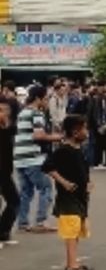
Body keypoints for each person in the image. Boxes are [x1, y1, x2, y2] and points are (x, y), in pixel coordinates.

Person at [42, 114, 92, 270]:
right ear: (75, 132)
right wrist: (64, 182)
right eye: (84, 128)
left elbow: (83, 170)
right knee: (71, 230)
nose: (87, 132)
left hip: (80, 196)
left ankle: (74, 261)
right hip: (67, 197)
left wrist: (88, 183)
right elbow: (47, 167)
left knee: (76, 229)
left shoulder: (79, 150)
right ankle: (71, 265)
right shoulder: (63, 150)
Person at [14, 86, 59, 234]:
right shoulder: (36, 113)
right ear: (38, 99)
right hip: (32, 158)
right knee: (46, 188)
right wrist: (59, 137)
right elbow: (38, 136)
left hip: (20, 157)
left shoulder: (22, 112)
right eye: (45, 98)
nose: (46, 101)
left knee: (26, 191)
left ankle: (23, 222)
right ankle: (40, 221)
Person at [0, 97, 19, 246]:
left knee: (14, 201)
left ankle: (3, 232)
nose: (4, 113)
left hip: (5, 172)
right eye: (1, 110)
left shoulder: (8, 128)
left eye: (6, 110)